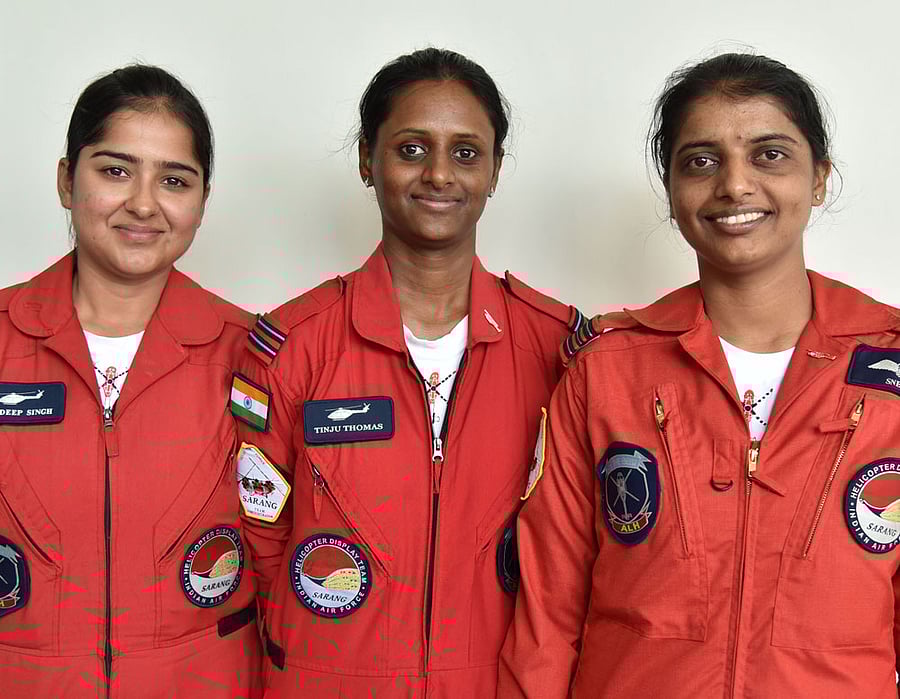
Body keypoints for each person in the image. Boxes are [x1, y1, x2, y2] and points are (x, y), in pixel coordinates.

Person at [499, 53, 900, 697]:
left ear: (819, 178)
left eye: (769, 154)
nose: (735, 185)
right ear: (671, 186)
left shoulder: (888, 363)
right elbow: (547, 611)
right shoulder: (606, 368)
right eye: (701, 160)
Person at [233, 48, 585, 696]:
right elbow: (261, 540)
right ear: (368, 159)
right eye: (413, 148)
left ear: (495, 170)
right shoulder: (292, 347)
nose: (440, 174)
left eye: (467, 152)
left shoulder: (558, 347)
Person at [0, 66, 262, 697]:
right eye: (115, 170)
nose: (144, 203)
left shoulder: (256, 355)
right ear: (67, 179)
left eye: (174, 179)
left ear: (202, 199)